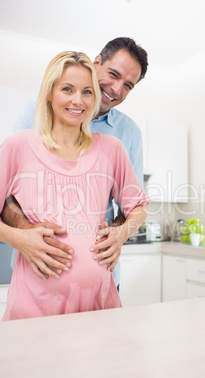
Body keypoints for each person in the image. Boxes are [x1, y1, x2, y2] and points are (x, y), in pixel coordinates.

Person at [0, 50, 148, 320]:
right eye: (67, 89)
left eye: (87, 92)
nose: (77, 100)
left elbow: (137, 206)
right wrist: (20, 237)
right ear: (49, 93)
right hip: (34, 303)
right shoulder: (18, 144)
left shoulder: (113, 147)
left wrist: (121, 233)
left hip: (100, 301)